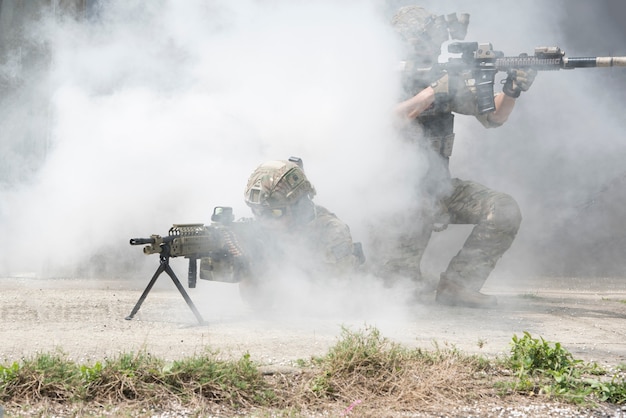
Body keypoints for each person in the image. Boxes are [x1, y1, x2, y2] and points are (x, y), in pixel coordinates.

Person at [378, 5, 537, 308]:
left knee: (502, 209)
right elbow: (383, 121)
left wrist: (512, 89)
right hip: (393, 204)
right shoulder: (380, 79)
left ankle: (459, 285)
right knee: (397, 294)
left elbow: (493, 118)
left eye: (429, 40)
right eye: (418, 40)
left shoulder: (440, 78)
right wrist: (432, 93)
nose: (426, 47)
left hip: (438, 191)